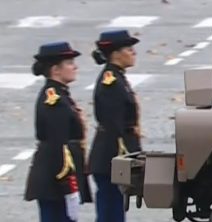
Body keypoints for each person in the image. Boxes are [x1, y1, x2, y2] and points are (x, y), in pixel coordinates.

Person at [24, 42, 92, 222]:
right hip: (56, 179)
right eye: (69, 63)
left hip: (57, 178)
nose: (75, 66)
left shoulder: (59, 94)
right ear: (56, 70)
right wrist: (67, 184)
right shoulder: (53, 99)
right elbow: (58, 144)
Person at [89, 30, 142, 222]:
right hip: (110, 156)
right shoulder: (111, 82)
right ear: (116, 54)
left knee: (114, 209)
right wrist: (130, 153)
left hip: (113, 156)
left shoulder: (117, 77)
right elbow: (114, 125)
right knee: (110, 212)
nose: (133, 53)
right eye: (129, 49)